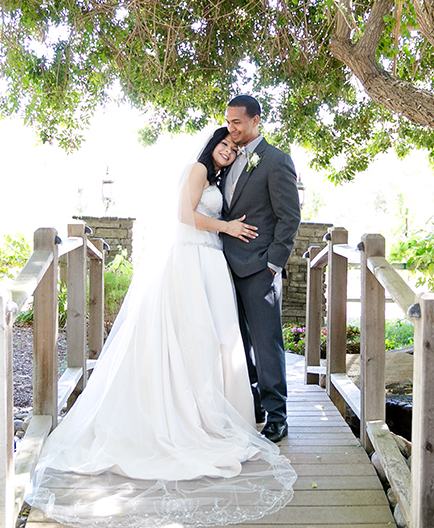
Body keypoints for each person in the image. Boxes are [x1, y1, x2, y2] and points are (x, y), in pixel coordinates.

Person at [26, 127, 296, 528]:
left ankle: (221, 407)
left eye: (231, 145)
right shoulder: (196, 170)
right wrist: (227, 228)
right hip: (190, 259)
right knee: (189, 334)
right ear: (210, 146)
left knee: (214, 338)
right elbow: (184, 216)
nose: (227, 149)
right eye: (221, 144)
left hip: (214, 262)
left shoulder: (228, 175)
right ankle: (184, 411)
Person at [221, 95, 301, 443]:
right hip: (223, 268)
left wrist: (273, 265)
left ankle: (277, 415)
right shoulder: (223, 160)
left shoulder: (277, 161)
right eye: (228, 121)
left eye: (237, 122)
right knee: (236, 341)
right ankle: (250, 403)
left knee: (267, 344)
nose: (231, 128)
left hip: (259, 269)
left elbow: (289, 218)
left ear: (256, 121)